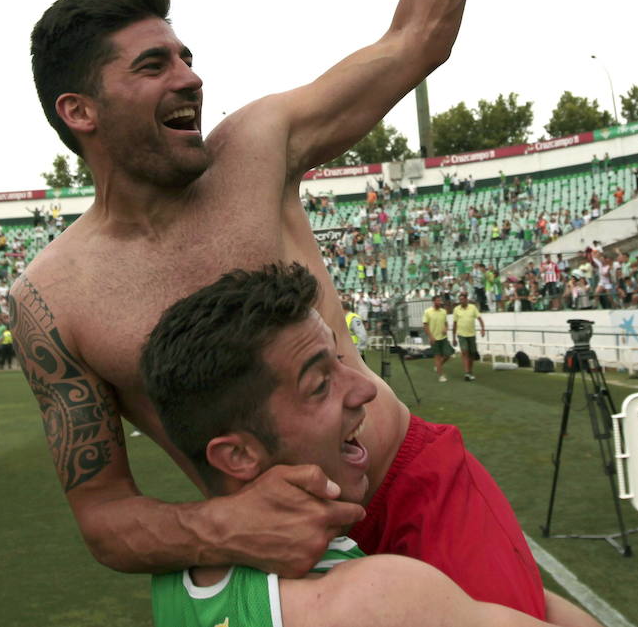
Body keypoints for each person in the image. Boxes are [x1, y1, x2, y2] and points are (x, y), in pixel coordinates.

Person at [9, 0, 550, 621]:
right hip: (286, 563)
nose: (190, 76)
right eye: (152, 66)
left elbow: (418, 39)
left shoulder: (258, 144)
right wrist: (224, 524)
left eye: (187, 56)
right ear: (79, 112)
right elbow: (104, 516)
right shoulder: (52, 301)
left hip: (413, 481)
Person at [140, 264, 595, 627]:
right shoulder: (377, 598)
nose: (365, 389)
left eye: (341, 359)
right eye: (320, 383)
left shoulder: (170, 581)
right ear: (237, 455)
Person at [452, 291, 485, 381]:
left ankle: (470, 371)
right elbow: (454, 324)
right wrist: (454, 337)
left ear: (466, 299)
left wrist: (482, 329)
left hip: (471, 334)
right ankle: (467, 373)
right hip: (461, 335)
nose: (461, 301)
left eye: (462, 299)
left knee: (472, 354)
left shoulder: (473, 307)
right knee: (465, 352)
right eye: (460, 300)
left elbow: (480, 319)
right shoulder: (456, 309)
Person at [424, 296, 453, 382]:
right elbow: (425, 326)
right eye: (438, 300)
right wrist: (430, 337)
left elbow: (446, 323)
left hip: (443, 338)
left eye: (440, 300)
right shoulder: (427, 312)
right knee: (437, 357)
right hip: (434, 339)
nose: (440, 302)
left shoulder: (443, 311)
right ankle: (441, 375)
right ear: (433, 302)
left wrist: (446, 328)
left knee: (448, 355)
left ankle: (438, 366)